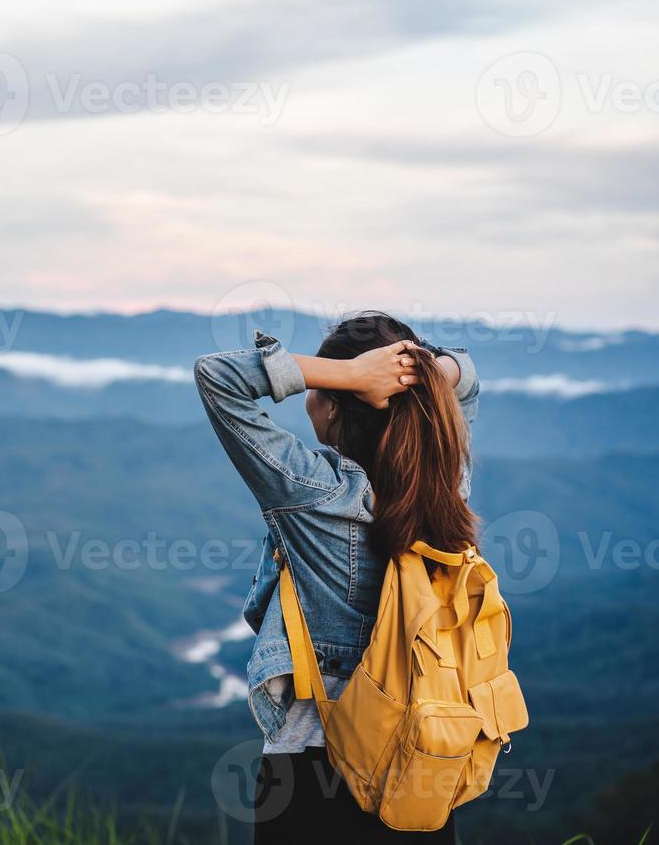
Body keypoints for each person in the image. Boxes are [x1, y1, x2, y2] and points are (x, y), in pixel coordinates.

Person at [193, 312, 480, 842]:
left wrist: (346, 374)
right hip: (423, 761)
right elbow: (466, 375)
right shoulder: (445, 484)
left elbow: (218, 377)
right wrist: (411, 370)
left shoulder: (318, 495)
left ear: (339, 401)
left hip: (315, 769)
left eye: (327, 381)